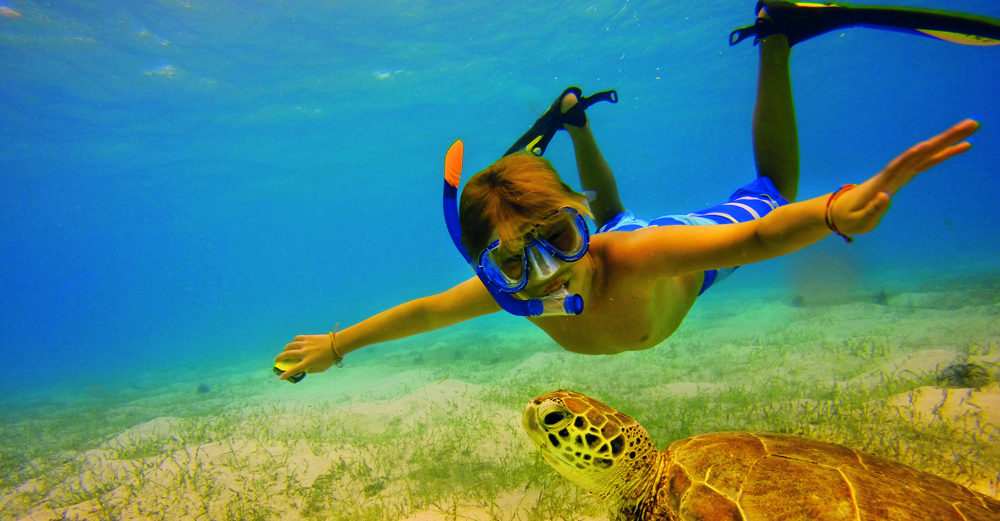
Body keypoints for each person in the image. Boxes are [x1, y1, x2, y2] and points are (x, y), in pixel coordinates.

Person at [275, 1, 997, 381]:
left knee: (774, 189)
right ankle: (575, 121)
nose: (549, 273)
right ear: (490, 271)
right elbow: (426, 312)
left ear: (574, 222)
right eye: (516, 261)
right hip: (616, 224)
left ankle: (777, 34)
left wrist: (833, 213)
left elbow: (754, 236)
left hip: (681, 253)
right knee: (616, 213)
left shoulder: (631, 257)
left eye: (557, 238)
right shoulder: (508, 290)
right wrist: (338, 345)